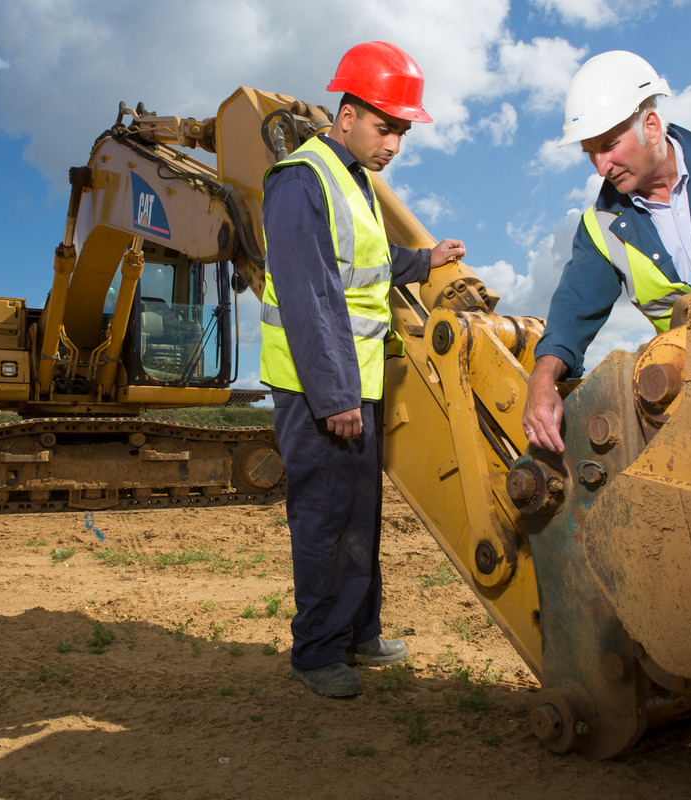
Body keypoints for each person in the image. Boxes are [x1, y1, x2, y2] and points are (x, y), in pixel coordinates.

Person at [259, 41, 466, 698]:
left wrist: (425, 259)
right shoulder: (301, 179)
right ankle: (317, 652)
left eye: (402, 131)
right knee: (323, 519)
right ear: (345, 114)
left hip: (355, 385)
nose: (395, 145)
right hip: (318, 391)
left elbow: (364, 270)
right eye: (386, 127)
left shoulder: (354, 181)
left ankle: (359, 633)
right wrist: (333, 394)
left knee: (359, 515)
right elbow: (309, 294)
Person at [522, 51, 691, 453]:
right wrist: (542, 378)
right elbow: (573, 311)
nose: (600, 166)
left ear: (652, 126)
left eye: (608, 146)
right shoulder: (601, 227)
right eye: (590, 151)